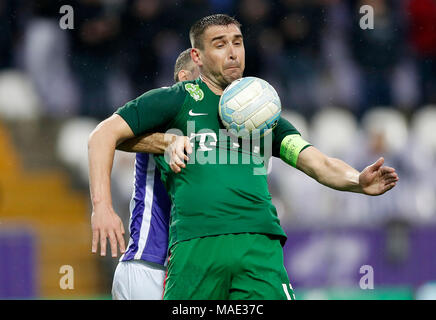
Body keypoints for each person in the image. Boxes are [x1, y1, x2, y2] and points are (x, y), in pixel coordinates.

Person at [88, 14, 399, 300]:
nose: (232, 52)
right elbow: (103, 135)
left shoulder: (265, 113)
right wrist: (102, 206)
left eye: (237, 42)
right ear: (197, 56)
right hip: (196, 245)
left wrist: (357, 180)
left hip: (259, 244)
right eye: (219, 45)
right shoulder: (177, 99)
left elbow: (317, 162)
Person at [99, 49, 199, 300]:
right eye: (204, 75)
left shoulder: (210, 121)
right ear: (184, 77)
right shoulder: (165, 106)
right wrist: (102, 207)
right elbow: (106, 135)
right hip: (150, 265)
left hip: (184, 269)